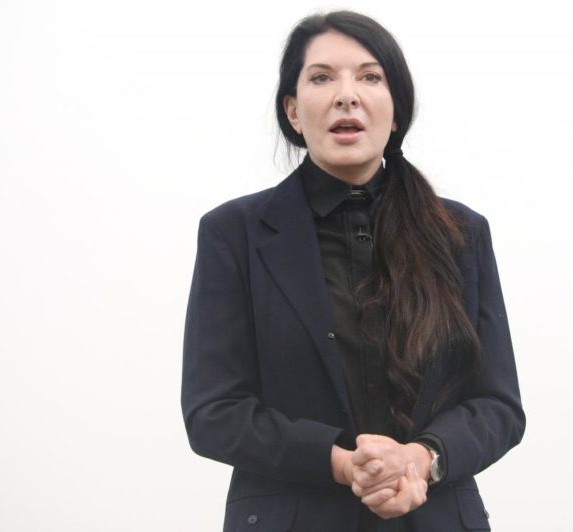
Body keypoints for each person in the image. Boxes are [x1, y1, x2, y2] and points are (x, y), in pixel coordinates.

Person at [181, 10, 525, 532]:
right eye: (322, 78)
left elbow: (498, 405)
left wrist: (422, 459)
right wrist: (343, 464)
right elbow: (214, 413)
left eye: (369, 77)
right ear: (293, 112)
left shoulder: (461, 233)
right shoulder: (234, 233)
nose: (347, 95)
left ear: (396, 109)